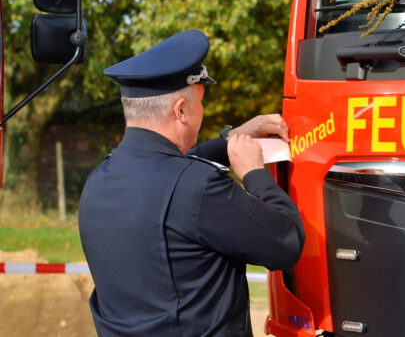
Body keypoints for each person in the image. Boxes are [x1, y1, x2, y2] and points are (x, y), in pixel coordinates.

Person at [78, 30, 305, 337]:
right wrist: (254, 173)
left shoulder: (99, 181)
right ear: (181, 110)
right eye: (199, 102)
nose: (203, 111)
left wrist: (231, 139)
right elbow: (285, 244)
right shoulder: (197, 188)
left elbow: (167, 176)